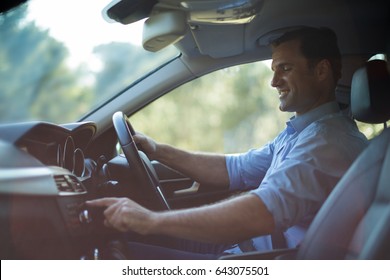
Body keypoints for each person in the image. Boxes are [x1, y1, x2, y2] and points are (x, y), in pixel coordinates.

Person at [86, 26, 368, 259]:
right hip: (242, 248)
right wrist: (158, 150)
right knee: (120, 244)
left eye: (285, 68)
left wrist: (149, 220)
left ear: (321, 71)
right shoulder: (302, 133)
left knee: (114, 256)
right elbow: (236, 168)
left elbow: (263, 210)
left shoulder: (327, 143)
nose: (273, 82)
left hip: (258, 261)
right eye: (274, 69)